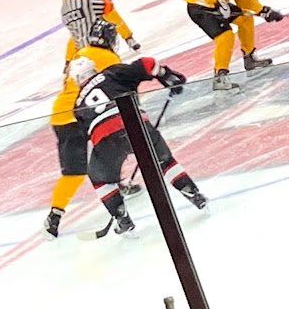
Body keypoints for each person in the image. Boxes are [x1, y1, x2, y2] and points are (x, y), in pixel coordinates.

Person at [71, 56, 207, 236]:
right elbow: (147, 63)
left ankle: (122, 219)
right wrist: (166, 76)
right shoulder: (112, 72)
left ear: (76, 79)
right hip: (136, 123)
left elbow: (86, 134)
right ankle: (193, 194)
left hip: (105, 138)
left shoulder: (77, 105)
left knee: (100, 179)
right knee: (164, 161)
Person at [44, 20, 140, 239]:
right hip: (90, 114)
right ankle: (116, 186)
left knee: (73, 172)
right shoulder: (109, 59)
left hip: (62, 116)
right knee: (115, 146)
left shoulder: (81, 53)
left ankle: (54, 218)